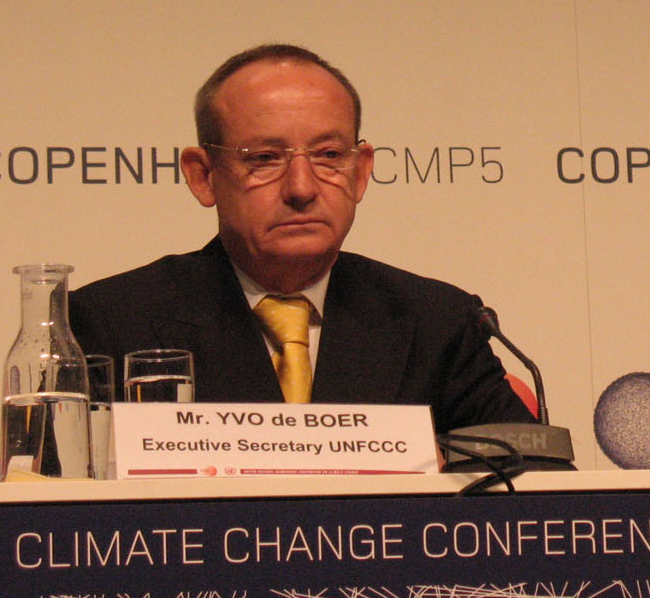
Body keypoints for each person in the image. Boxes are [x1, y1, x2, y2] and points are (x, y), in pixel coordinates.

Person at [71, 44, 535, 434]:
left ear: (360, 171)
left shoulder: (438, 322)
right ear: (203, 176)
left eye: (329, 155)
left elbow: (536, 492)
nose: (301, 188)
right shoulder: (109, 323)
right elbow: (37, 500)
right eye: (265, 158)